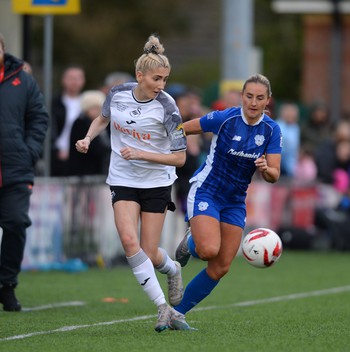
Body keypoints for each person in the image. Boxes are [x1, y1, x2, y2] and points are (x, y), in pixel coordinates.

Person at [75, 34, 187, 332]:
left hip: (156, 183)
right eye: (156, 78)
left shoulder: (168, 107)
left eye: (164, 79)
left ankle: (173, 268)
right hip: (123, 178)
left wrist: (142, 153)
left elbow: (180, 158)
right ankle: (163, 307)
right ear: (140, 76)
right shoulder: (118, 93)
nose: (160, 85)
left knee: (150, 253)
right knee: (129, 242)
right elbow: (103, 119)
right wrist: (88, 137)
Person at [171, 73, 282, 330]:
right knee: (209, 250)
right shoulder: (226, 118)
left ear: (268, 100)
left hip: (234, 200)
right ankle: (191, 242)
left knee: (221, 266)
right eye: (249, 96)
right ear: (242, 96)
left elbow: (274, 174)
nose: (254, 102)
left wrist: (266, 168)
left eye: (260, 98)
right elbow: (184, 127)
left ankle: (176, 313)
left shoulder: (271, 130)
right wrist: (169, 144)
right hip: (207, 190)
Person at [0, 33, 49, 311]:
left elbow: (39, 117)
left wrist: (28, 151)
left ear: (3, 49)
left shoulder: (23, 80)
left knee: (16, 223)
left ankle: (7, 285)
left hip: (15, 168)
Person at [51, 65, 86, 176]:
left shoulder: (88, 104)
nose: (74, 82)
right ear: (63, 80)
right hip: (58, 156)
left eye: (78, 78)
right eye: (71, 78)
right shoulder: (53, 103)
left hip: (81, 157)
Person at [68, 90, 110, 176]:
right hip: (84, 172)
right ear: (86, 109)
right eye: (94, 108)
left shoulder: (106, 124)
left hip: (101, 170)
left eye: (99, 107)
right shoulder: (80, 123)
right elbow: (94, 148)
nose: (97, 111)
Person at [276, 102, 300, 177]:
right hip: (279, 163)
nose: (291, 114)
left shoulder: (296, 128)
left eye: (293, 113)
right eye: (289, 112)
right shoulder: (277, 126)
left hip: (292, 165)